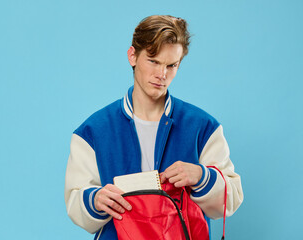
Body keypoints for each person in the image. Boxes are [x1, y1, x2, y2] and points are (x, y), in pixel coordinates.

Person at [65, 15, 243, 239]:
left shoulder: (203, 126)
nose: (162, 74)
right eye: (154, 61)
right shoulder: (92, 131)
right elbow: (75, 200)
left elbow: (232, 197)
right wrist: (95, 199)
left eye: (172, 65)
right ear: (133, 56)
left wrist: (201, 176)